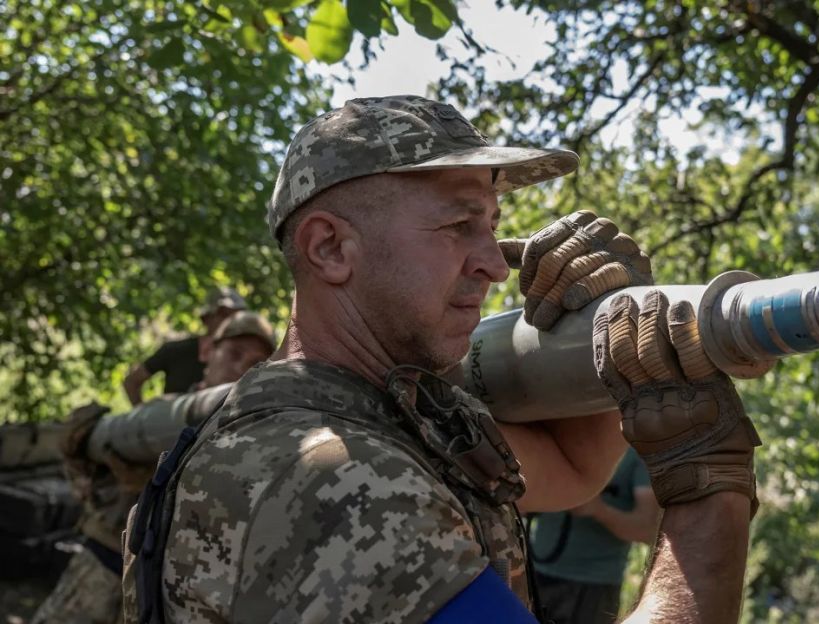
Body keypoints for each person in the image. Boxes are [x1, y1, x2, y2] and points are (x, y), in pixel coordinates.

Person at [122, 96, 761, 624]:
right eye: (459, 225)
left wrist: (600, 329)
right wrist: (708, 488)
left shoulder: (367, 415)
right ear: (330, 248)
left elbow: (572, 471)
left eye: (491, 222)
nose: (493, 262)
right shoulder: (339, 477)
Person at [31, 311, 276, 624]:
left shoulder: (259, 433)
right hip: (104, 567)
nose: (242, 367)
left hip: (170, 591)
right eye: (235, 354)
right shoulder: (161, 415)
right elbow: (82, 463)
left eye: (256, 362)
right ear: (206, 351)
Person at [529, 448, 659, 624]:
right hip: (537, 575)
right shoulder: (559, 437)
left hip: (593, 586)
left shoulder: (637, 452)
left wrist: (599, 510)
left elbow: (648, 530)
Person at [122, 287, 247, 404]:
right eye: (223, 314)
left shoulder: (248, 358)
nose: (230, 321)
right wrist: (146, 421)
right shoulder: (176, 351)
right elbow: (132, 382)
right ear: (206, 319)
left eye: (236, 316)